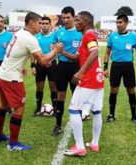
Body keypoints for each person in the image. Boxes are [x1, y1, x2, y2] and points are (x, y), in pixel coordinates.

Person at [0, 12, 63, 151]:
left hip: (3, 72)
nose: (40, 26)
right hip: (11, 77)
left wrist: (22, 66)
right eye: (39, 23)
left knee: (3, 105)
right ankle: (13, 143)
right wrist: (56, 50)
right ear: (31, 22)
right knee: (19, 107)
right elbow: (43, 60)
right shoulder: (29, 38)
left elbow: (16, 53)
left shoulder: (20, 33)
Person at [60, 11, 104, 156]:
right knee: (96, 111)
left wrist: (80, 73)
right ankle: (94, 144)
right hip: (98, 81)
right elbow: (78, 58)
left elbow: (95, 52)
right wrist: (62, 52)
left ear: (86, 21)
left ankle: (80, 147)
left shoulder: (89, 35)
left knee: (74, 109)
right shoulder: (85, 36)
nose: (75, 22)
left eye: (78, 20)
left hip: (89, 80)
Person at [104, 14, 136, 124]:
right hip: (115, 66)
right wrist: (105, 67)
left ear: (126, 23)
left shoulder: (133, 37)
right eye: (117, 22)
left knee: (131, 90)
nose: (118, 24)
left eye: (120, 22)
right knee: (113, 90)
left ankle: (134, 116)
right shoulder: (112, 36)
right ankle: (111, 115)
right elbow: (107, 52)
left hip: (128, 66)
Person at [52, 6, 82, 136]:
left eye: (68, 17)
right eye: (63, 17)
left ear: (73, 17)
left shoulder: (80, 33)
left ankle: (78, 124)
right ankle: (58, 125)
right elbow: (52, 47)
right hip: (62, 67)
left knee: (77, 96)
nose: (65, 20)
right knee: (61, 96)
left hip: (76, 68)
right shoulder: (58, 33)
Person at [31, 16, 57, 116]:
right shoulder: (36, 37)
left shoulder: (54, 36)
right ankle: (38, 108)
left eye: (46, 23)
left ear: (50, 25)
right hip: (39, 65)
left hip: (52, 64)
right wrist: (33, 66)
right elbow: (32, 53)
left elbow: (57, 51)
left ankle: (55, 109)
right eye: (42, 23)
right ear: (40, 25)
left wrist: (51, 60)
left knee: (53, 87)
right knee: (39, 87)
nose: (44, 25)